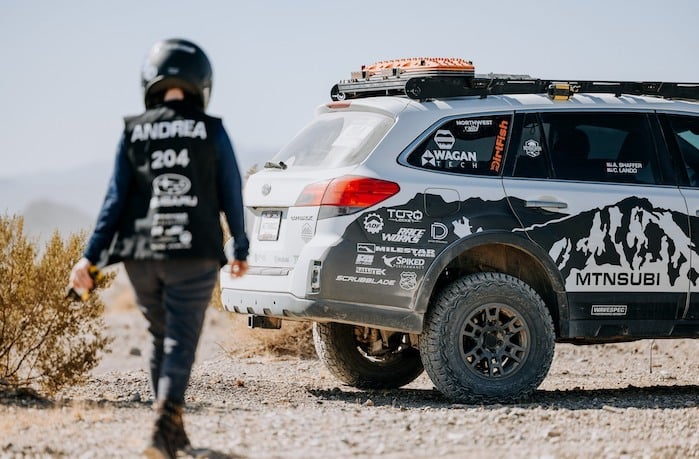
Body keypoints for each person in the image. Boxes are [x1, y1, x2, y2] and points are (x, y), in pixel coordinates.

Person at [69, 38, 249, 458]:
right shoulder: (211, 129)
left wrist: (90, 258)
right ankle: (159, 428)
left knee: (159, 336)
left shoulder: (134, 130)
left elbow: (114, 201)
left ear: (149, 81)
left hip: (141, 255)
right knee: (180, 341)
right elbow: (230, 192)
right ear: (202, 82)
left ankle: (173, 435)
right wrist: (239, 246)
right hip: (194, 252)